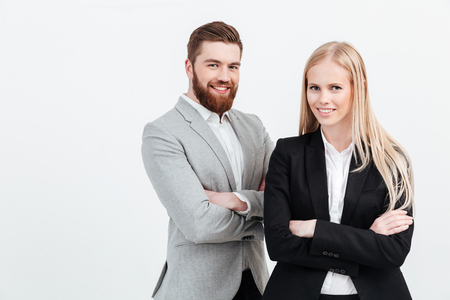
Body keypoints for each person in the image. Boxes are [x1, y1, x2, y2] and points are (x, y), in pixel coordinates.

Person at [262, 42, 414, 300]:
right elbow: (278, 245)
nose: (323, 99)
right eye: (314, 88)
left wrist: (314, 229)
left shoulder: (391, 159)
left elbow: (393, 251)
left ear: (359, 88)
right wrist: (366, 239)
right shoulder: (288, 154)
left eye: (335, 88)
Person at [142, 21, 273, 300]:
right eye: (213, 65)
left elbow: (289, 199)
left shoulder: (254, 128)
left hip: (258, 284)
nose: (225, 76)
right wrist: (262, 224)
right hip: (198, 289)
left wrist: (236, 200)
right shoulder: (163, 133)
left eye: (233, 66)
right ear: (189, 68)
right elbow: (198, 223)